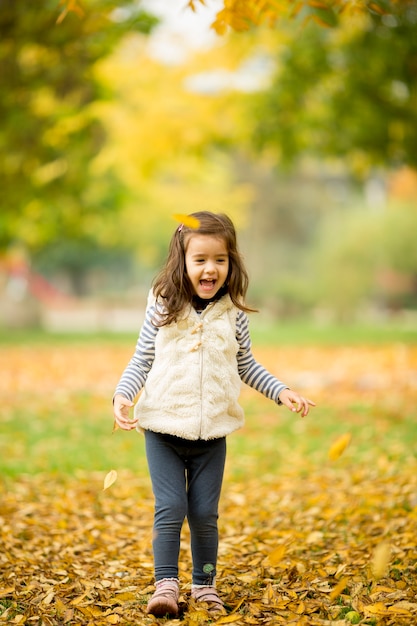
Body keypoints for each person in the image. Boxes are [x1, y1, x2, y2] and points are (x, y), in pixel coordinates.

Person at [113, 211, 315, 618]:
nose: (210, 268)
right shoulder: (164, 305)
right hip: (163, 430)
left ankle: (204, 585)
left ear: (231, 262)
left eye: (219, 259)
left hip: (211, 438)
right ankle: (165, 586)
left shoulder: (232, 313)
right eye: (200, 259)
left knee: (205, 514)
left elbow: (246, 365)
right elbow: (142, 359)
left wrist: (281, 391)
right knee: (170, 508)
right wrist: (122, 395)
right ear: (181, 262)